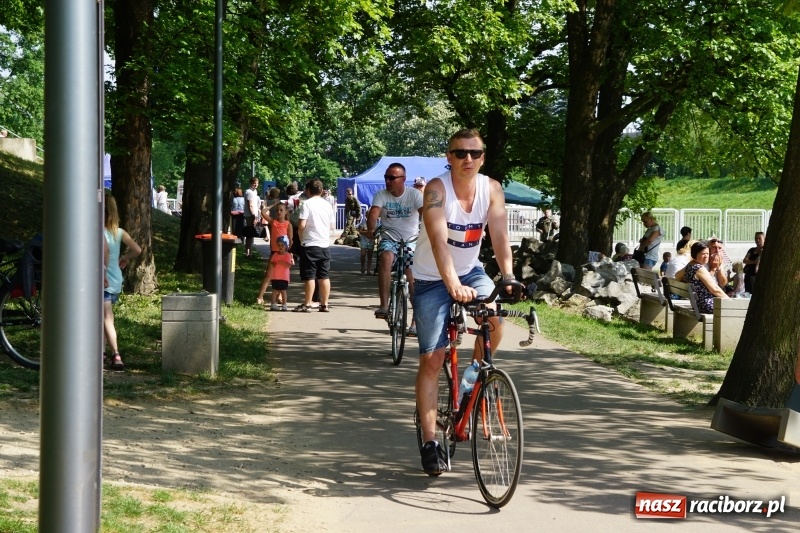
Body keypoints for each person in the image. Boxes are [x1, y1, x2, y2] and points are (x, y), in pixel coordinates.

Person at [412, 128, 514, 476]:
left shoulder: (492, 189)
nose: (467, 159)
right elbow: (439, 242)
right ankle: (429, 441)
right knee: (432, 358)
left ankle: (473, 377)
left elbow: (499, 235)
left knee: (496, 318)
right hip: (431, 278)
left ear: (483, 157)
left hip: (470, 272)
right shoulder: (437, 190)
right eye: (459, 153)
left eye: (474, 153)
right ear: (448, 156)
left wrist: (509, 276)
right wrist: (451, 284)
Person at [365, 163, 423, 331]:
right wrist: (371, 229)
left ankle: (415, 320)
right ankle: (384, 305)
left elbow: (425, 214)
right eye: (386, 177)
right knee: (386, 257)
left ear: (403, 179)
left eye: (392, 178)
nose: (387, 181)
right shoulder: (381, 195)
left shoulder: (414, 194)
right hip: (389, 237)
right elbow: (374, 213)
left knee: (412, 276)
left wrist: (430, 232)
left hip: (411, 239)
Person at [103, 193, 142, 371]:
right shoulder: (119, 232)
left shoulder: (97, 232)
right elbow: (137, 249)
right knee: (104, 318)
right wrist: (125, 257)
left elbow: (102, 258)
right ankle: (101, 352)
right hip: (116, 280)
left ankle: (115, 354)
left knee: (106, 318)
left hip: (103, 281)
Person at [292, 179, 334, 313]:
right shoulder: (327, 205)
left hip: (309, 243)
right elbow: (331, 226)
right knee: (324, 275)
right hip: (324, 244)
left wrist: (300, 235)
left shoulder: (307, 204)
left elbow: (301, 225)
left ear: (308, 190)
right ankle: (325, 304)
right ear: (321, 191)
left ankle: (308, 303)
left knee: (309, 275)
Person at [256, 202, 293, 305]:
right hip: (274, 253)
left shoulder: (288, 224)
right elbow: (263, 212)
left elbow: (290, 240)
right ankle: (260, 297)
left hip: (284, 254)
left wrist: (289, 254)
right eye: (277, 210)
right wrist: (273, 204)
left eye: (281, 210)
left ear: (286, 212)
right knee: (269, 274)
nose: (279, 212)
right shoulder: (273, 222)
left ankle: (280, 296)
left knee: (282, 276)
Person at [682, 241, 728, 313]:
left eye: (707, 253)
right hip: (707, 305)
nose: (706, 256)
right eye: (703, 254)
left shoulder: (690, 265)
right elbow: (715, 290)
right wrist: (730, 301)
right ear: (695, 254)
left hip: (698, 304)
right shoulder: (699, 268)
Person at [268, 236, 294, 311]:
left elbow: (288, 265)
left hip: (284, 277)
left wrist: (282, 262)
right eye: (279, 245)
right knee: (274, 290)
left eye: (282, 245)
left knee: (283, 291)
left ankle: (284, 305)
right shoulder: (275, 255)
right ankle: (273, 304)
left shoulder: (287, 255)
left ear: (286, 246)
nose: (280, 247)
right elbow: (272, 263)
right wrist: (274, 264)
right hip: (275, 276)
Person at [243, 177, 261, 257]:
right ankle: (247, 252)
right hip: (250, 215)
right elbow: (250, 205)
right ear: (251, 183)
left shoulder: (254, 191)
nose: (256, 184)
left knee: (251, 233)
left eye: (257, 183)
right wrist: (254, 216)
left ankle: (250, 251)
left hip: (254, 214)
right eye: (254, 183)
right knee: (249, 234)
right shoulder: (249, 192)